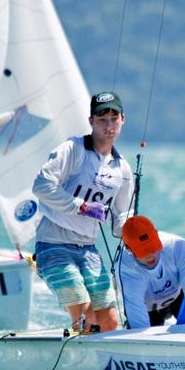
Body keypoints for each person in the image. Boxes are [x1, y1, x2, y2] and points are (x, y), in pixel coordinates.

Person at [32, 91, 134, 333]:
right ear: (91, 122)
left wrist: (135, 234)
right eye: (102, 120)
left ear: (122, 120)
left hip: (89, 250)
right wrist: (82, 206)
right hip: (53, 244)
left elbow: (121, 218)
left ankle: (107, 364)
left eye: (113, 119)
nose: (108, 126)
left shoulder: (123, 169)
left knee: (109, 321)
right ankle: (77, 359)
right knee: (87, 315)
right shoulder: (73, 149)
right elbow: (41, 185)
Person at [117, 215, 185, 329]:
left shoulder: (178, 245)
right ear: (128, 249)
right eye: (143, 251)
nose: (150, 255)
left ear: (156, 235)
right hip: (148, 310)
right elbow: (139, 326)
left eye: (152, 246)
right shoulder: (126, 269)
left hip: (179, 298)